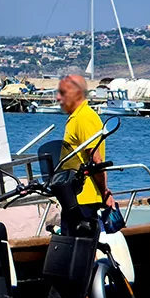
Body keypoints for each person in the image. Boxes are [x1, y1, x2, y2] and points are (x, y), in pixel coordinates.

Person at [56, 74, 115, 213]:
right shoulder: (76, 117)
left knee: (82, 234)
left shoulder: (84, 118)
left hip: (84, 198)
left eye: (63, 93)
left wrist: (104, 193)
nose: (58, 98)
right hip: (73, 195)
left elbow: (95, 159)